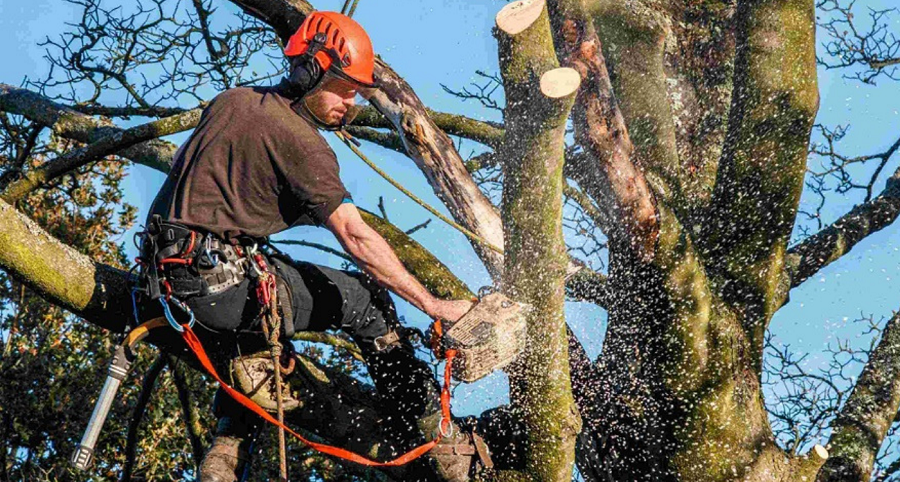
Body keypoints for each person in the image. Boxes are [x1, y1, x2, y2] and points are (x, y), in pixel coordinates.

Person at [138, 11, 491, 482]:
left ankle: (224, 455)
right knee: (365, 301)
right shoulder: (302, 142)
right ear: (312, 72)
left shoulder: (232, 102)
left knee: (263, 332)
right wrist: (433, 306)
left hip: (160, 284)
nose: (352, 103)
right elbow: (355, 235)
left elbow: (221, 189)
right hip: (217, 288)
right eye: (346, 89)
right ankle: (437, 438)